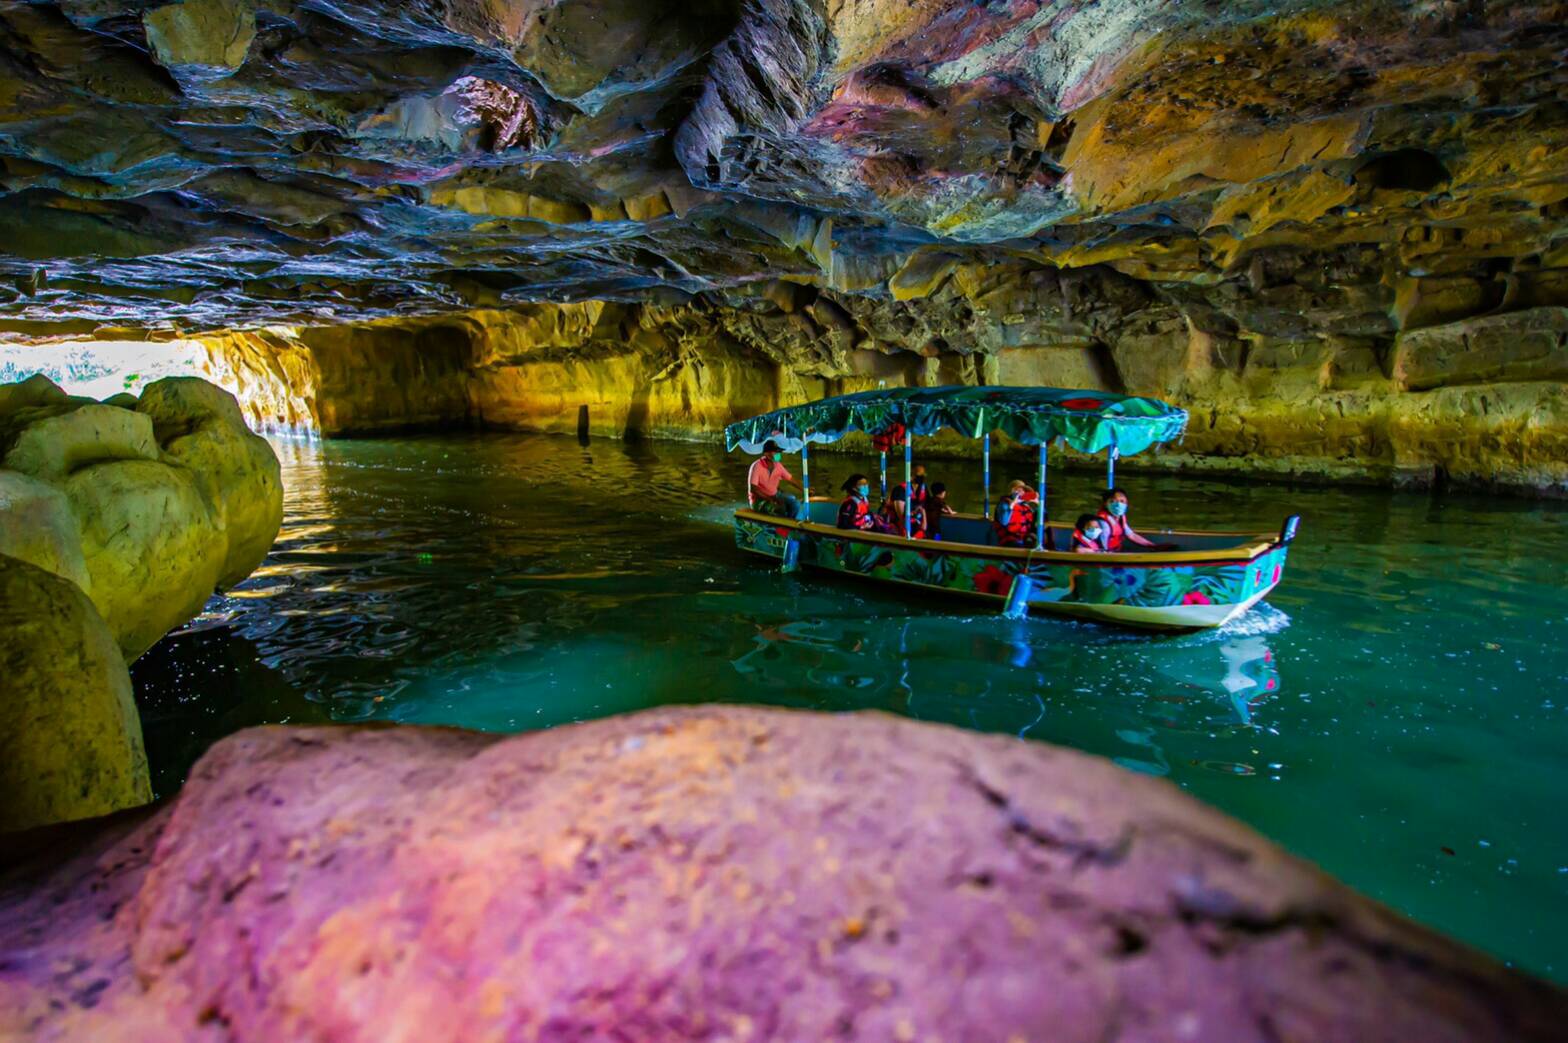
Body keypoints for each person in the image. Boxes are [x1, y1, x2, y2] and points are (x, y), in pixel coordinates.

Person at [747, 440, 806, 520]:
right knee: (779, 508)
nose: (779, 455)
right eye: (776, 452)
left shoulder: (778, 465)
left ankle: (789, 524)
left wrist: (805, 490)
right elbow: (753, 489)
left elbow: (791, 479)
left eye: (779, 452)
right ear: (767, 454)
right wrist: (772, 500)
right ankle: (780, 527)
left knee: (795, 503)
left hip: (774, 495)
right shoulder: (757, 466)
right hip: (758, 500)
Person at [1095, 487, 1164, 551]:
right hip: (1107, 553)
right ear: (1105, 504)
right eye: (1112, 501)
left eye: (1122, 501)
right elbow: (1102, 544)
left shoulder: (1120, 517)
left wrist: (1152, 545)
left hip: (1115, 550)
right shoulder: (1103, 522)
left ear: (1126, 503)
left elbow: (1131, 535)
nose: (1118, 504)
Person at [993, 480, 1039, 547]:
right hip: (1009, 540)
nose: (1022, 493)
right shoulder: (1004, 504)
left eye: (1023, 491)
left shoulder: (1026, 506)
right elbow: (1004, 522)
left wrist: (1038, 505)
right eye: (1018, 490)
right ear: (1012, 492)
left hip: (1024, 539)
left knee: (1036, 541)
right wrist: (1012, 505)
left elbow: (1040, 520)